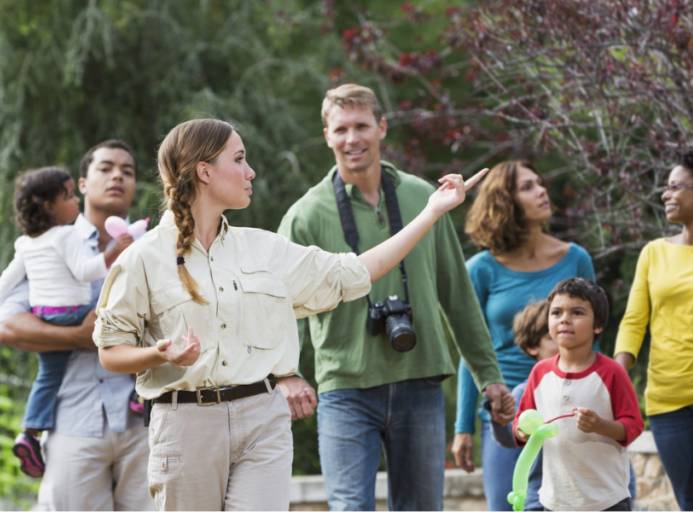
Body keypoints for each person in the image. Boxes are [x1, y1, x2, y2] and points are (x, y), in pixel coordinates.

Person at [91, 118, 486, 511]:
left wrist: (432, 212)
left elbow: (357, 272)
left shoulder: (266, 249)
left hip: (263, 419)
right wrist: (159, 354)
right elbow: (111, 352)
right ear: (205, 171)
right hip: (185, 426)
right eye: (240, 159)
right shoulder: (142, 259)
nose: (251, 171)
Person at [276, 84, 511, 512]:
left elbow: (456, 293)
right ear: (327, 135)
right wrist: (285, 373)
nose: (353, 138)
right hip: (345, 386)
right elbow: (279, 306)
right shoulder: (304, 216)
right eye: (341, 128)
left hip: (419, 381)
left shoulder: (424, 197)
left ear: (381, 128)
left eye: (362, 125)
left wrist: (488, 376)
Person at [0, 140, 154, 511]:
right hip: (74, 421)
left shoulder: (150, 246)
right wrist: (79, 336)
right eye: (106, 167)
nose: (117, 175)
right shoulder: (46, 245)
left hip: (145, 423)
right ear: (81, 186)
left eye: (127, 171)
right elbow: (6, 325)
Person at [451, 160, 595, 511]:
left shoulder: (576, 259)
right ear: (504, 202)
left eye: (540, 182)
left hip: (567, 410)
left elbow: (594, 341)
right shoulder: (481, 270)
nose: (542, 190)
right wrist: (463, 427)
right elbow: (471, 351)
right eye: (528, 187)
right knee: (508, 506)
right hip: (506, 415)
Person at [614, 147, 693, 511]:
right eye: (665, 189)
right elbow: (634, 321)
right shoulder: (654, 253)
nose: (665, 194)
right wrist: (613, 377)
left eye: (675, 186)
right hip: (667, 392)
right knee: (691, 501)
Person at [492, 301, 637, 510]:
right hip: (542, 500)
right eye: (552, 337)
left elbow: (620, 434)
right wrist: (502, 422)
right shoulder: (525, 392)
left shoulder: (598, 382)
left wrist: (626, 489)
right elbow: (511, 440)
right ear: (533, 347)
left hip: (601, 498)